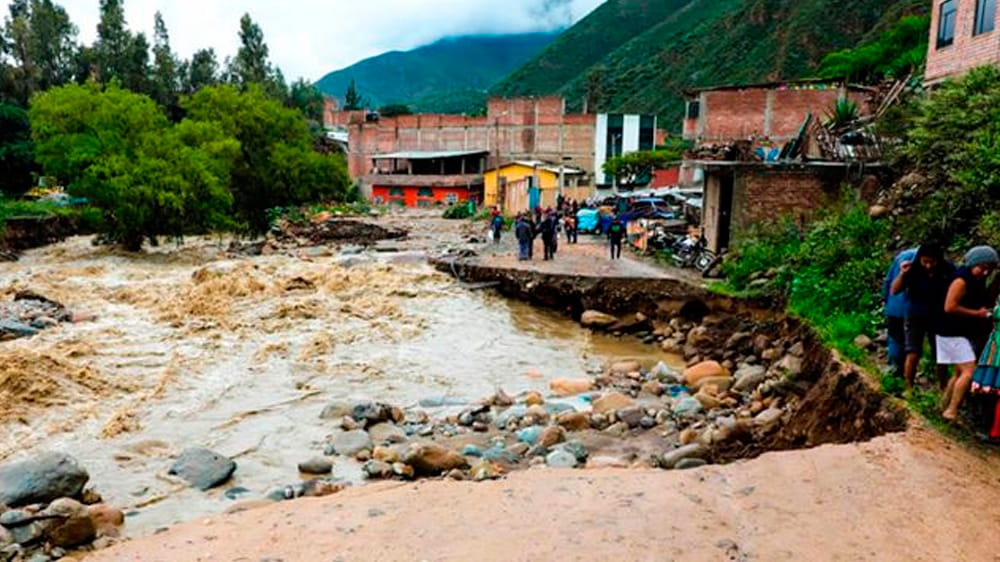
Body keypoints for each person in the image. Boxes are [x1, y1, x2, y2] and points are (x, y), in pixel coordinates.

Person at [940, 246, 999, 422]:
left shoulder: (975, 279)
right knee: (968, 372)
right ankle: (951, 411)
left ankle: (943, 406)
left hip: (957, 332)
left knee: (958, 373)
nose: (985, 272)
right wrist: (977, 314)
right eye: (983, 267)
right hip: (952, 332)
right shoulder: (961, 280)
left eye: (989, 268)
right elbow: (949, 306)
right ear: (974, 263)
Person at [890, 244, 952, 390]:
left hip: (937, 315)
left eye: (932, 262)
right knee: (912, 352)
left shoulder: (947, 270)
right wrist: (903, 274)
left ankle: (943, 387)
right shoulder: (913, 270)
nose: (928, 266)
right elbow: (894, 289)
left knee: (940, 354)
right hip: (915, 314)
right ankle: (908, 387)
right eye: (925, 262)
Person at [971, 301, 1000, 442]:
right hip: (995, 348)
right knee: (992, 391)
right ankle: (991, 429)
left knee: (992, 390)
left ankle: (991, 429)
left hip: (996, 350)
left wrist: (989, 313)